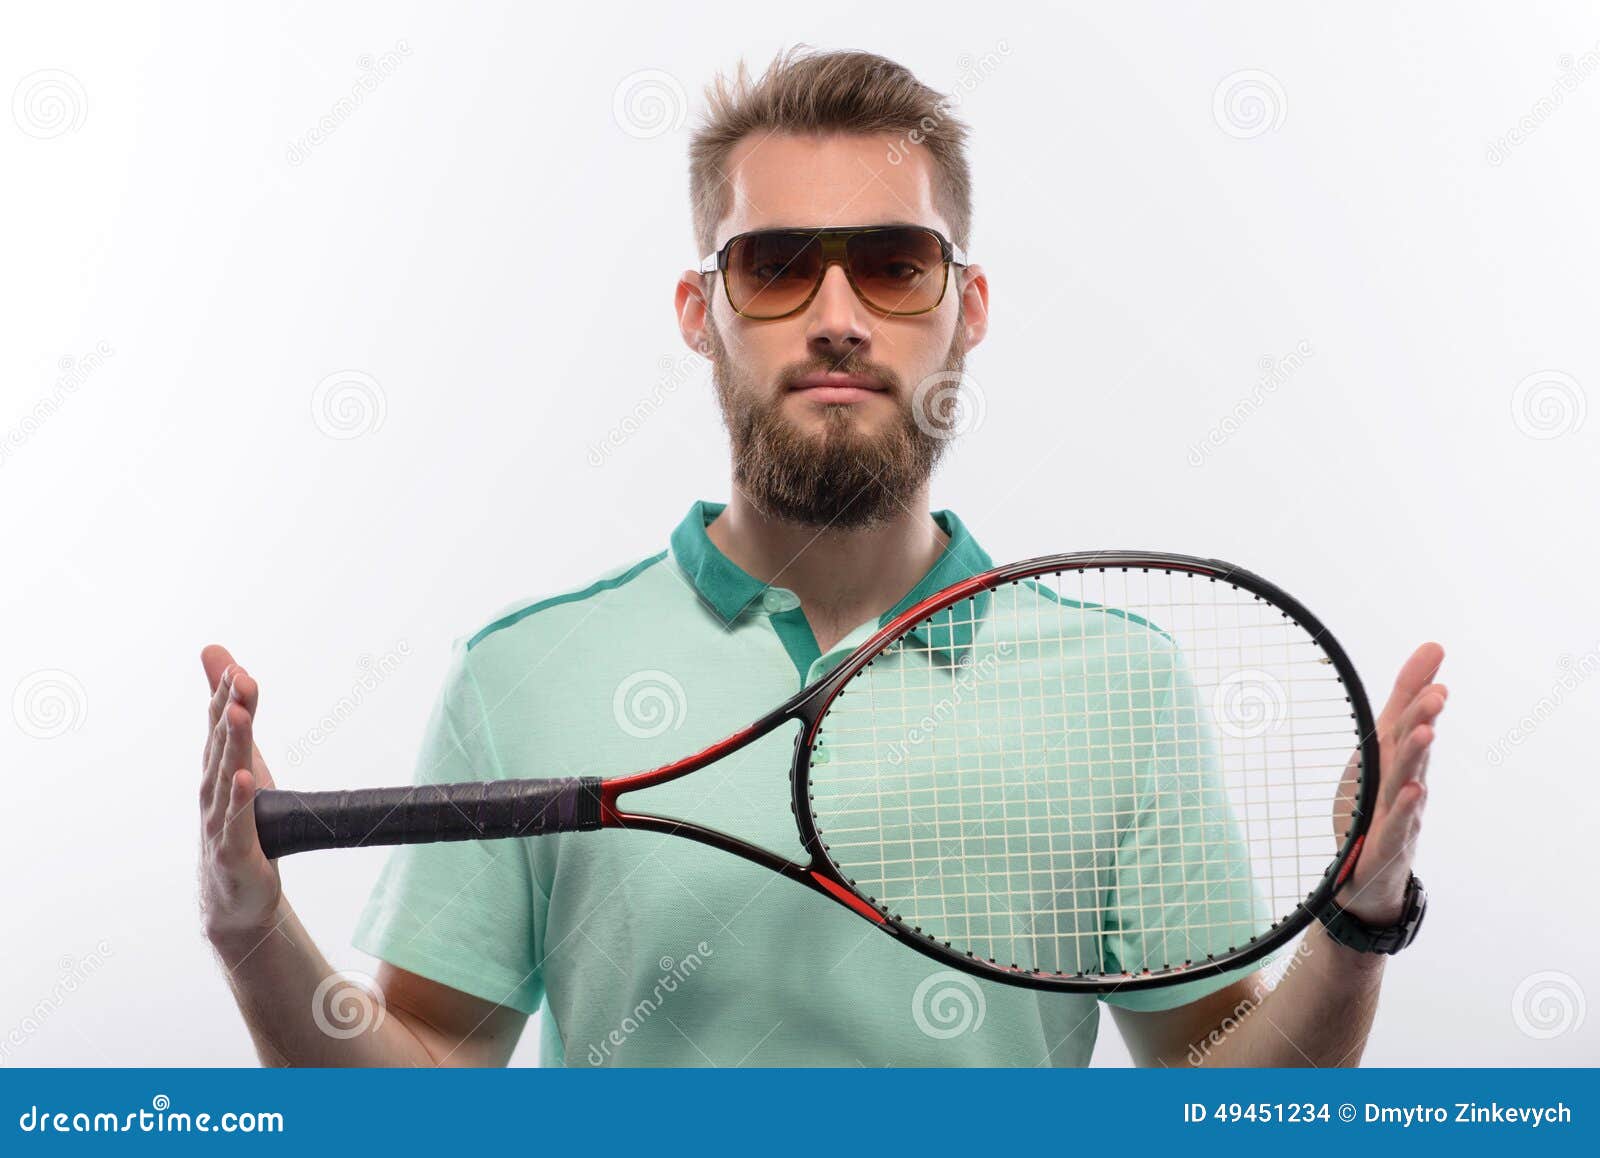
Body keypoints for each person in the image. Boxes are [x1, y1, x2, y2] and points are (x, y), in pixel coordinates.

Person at [198, 46, 1447, 1067]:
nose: (839, 316)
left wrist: (1359, 917)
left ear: (966, 309)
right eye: (778, 266)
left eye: (896, 266)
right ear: (704, 313)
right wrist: (255, 935)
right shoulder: (521, 675)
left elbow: (1216, 1100)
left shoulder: (1121, 685)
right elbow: (427, 1094)